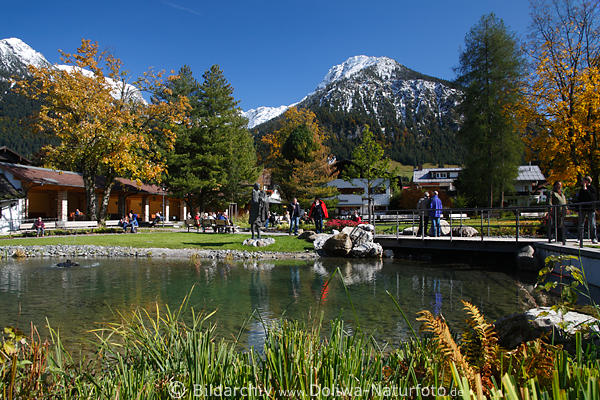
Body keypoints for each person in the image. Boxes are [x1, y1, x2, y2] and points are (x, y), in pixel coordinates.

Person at [576, 176, 598, 244]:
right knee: (581, 224)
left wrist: (586, 189)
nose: (582, 182)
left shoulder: (592, 188)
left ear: (587, 181)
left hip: (590, 208)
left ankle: (593, 238)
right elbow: (580, 198)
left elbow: (592, 198)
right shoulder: (581, 189)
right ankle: (579, 237)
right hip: (583, 208)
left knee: (592, 224)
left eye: (583, 181)